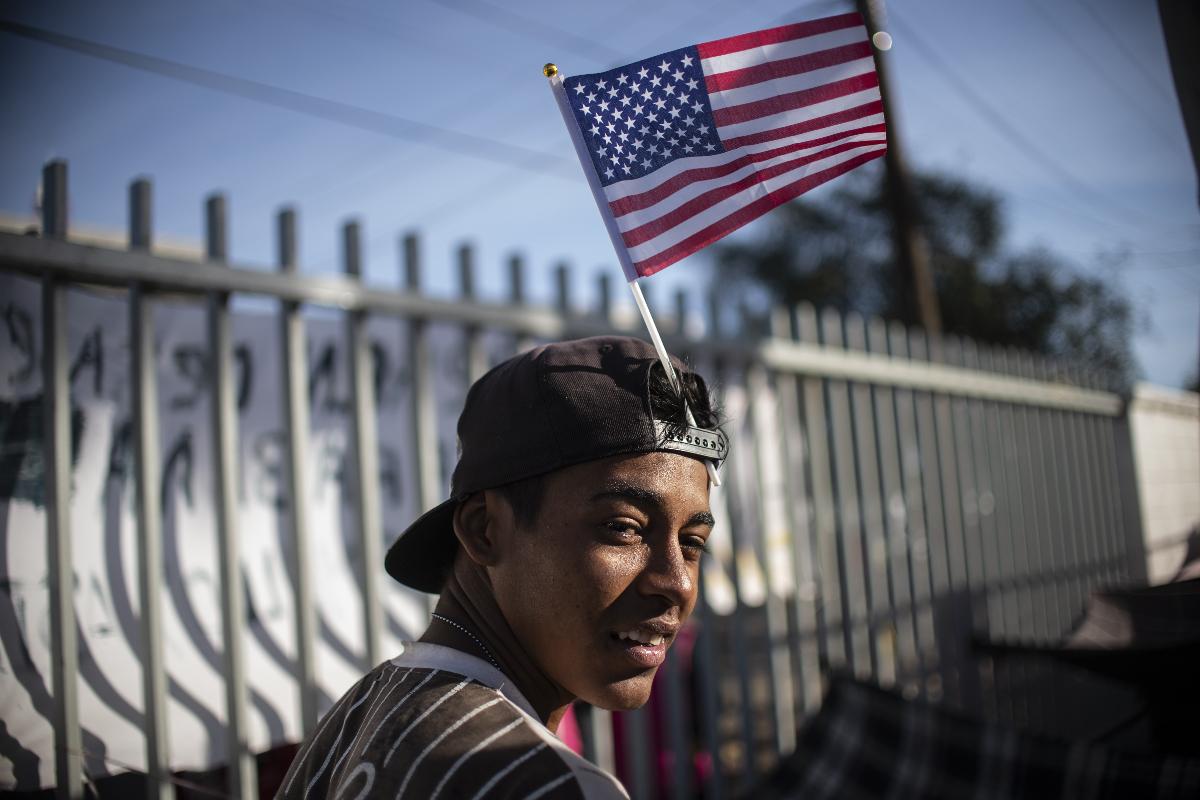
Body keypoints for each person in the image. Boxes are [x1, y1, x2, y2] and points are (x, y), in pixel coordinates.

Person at [277, 335, 727, 799]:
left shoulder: (359, 716)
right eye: (623, 527)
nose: (676, 582)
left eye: (693, 542)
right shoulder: (550, 786)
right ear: (484, 530)